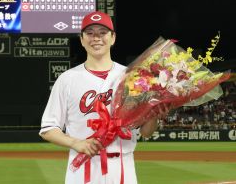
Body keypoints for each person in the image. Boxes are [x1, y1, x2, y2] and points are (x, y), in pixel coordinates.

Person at [39, 11, 169, 184]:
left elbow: (145, 132)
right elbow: (48, 128)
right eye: (90, 33)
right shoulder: (67, 79)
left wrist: (154, 115)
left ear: (113, 38)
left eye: (102, 33)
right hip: (84, 166)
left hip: (123, 167)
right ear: (82, 39)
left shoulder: (131, 77)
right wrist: (76, 143)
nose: (96, 38)